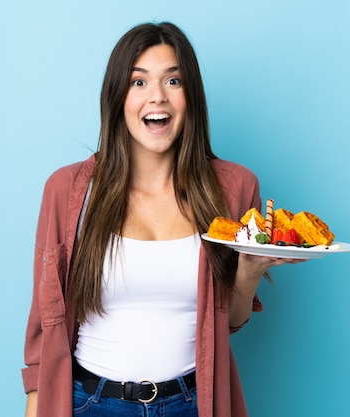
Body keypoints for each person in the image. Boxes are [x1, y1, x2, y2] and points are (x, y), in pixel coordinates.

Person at [22, 21, 301, 417]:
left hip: (194, 402)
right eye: (139, 83)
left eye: (173, 81)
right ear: (117, 96)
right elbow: (44, 330)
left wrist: (250, 268)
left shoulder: (234, 188)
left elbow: (231, 319)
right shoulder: (67, 191)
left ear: (192, 96)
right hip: (93, 404)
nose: (158, 98)